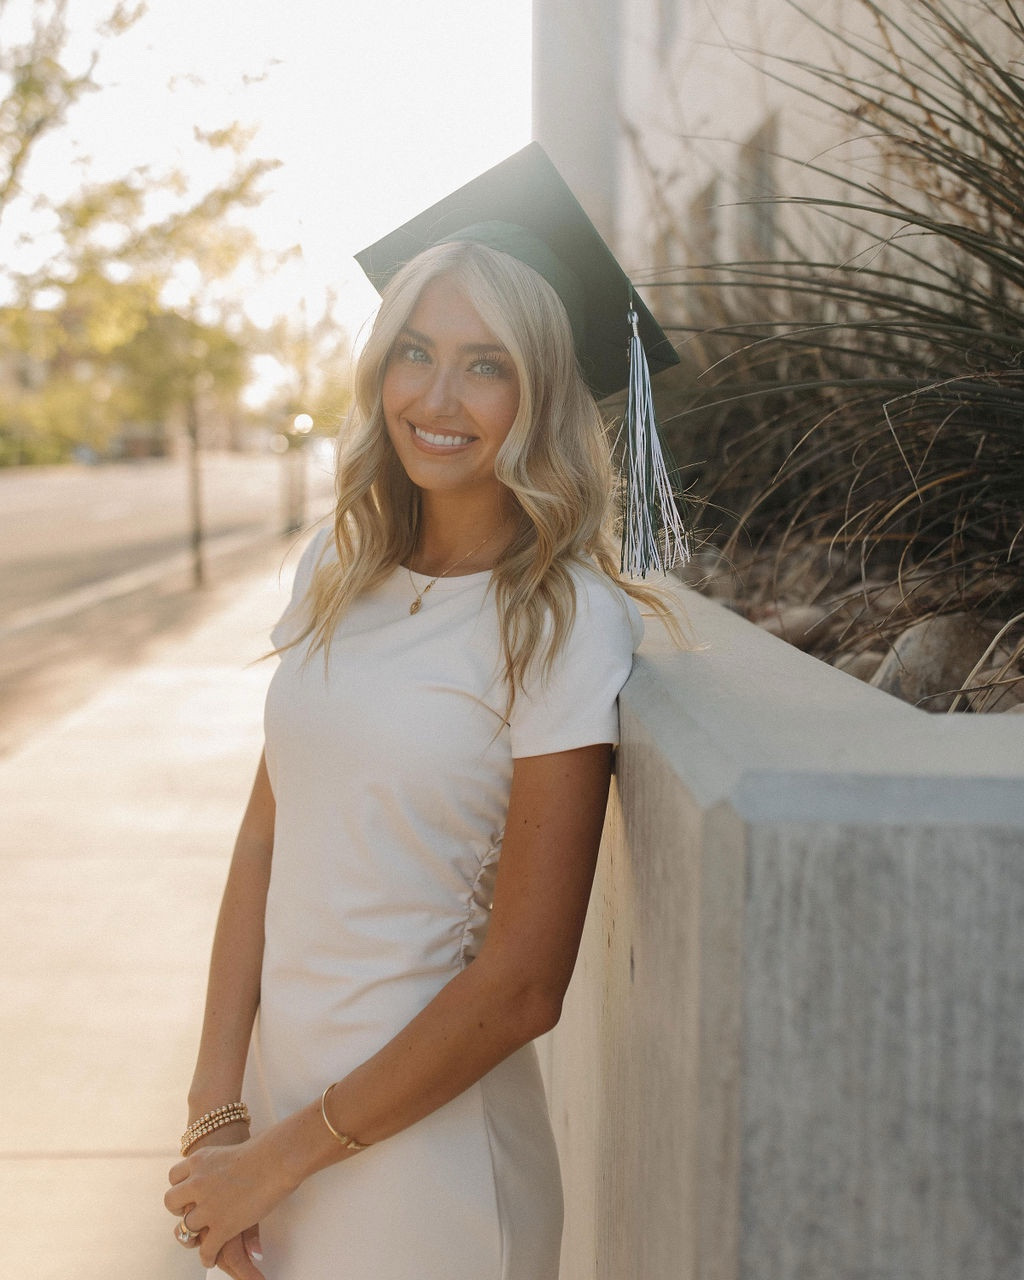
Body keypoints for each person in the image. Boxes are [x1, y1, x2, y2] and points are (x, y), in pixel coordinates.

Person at [164, 143, 685, 1280]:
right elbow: (269, 832)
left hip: (428, 1165)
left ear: (540, 391)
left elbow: (522, 985)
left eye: (485, 365)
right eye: (416, 351)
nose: (437, 399)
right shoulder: (335, 567)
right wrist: (217, 1110)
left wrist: (280, 1160)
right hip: (277, 1133)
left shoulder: (561, 620)